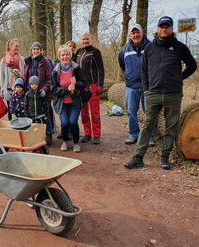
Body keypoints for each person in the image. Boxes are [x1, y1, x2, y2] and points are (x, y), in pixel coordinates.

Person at [123, 16, 197, 170]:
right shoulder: (149, 48)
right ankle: (138, 157)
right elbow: (144, 71)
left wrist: (179, 78)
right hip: (153, 93)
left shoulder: (180, 47)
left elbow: (192, 66)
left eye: (167, 27)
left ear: (171, 29)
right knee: (147, 125)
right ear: (157, 29)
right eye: (161, 27)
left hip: (173, 94)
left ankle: (165, 157)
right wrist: (146, 89)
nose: (164, 29)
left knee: (170, 127)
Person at [119, 24, 156, 146]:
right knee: (131, 111)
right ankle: (133, 134)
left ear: (142, 32)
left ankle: (149, 136)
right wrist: (130, 75)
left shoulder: (151, 47)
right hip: (131, 85)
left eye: (137, 32)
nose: (136, 35)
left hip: (148, 85)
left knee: (149, 112)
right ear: (130, 35)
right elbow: (122, 65)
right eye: (133, 33)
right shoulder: (125, 49)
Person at [51, 44, 88, 152]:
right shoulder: (55, 71)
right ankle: (65, 141)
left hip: (75, 101)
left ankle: (76, 143)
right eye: (62, 55)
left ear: (70, 55)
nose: (65, 57)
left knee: (72, 122)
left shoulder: (76, 68)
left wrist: (76, 84)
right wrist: (66, 89)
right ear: (59, 57)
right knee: (65, 123)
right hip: (62, 102)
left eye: (67, 54)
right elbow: (53, 89)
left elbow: (84, 84)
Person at [75, 32, 105, 145]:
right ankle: (87, 133)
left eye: (87, 39)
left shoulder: (95, 52)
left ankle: (96, 135)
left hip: (92, 84)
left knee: (94, 111)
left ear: (91, 39)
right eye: (83, 39)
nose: (85, 41)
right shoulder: (79, 52)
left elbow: (100, 69)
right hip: (81, 85)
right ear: (81, 40)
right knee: (84, 112)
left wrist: (100, 84)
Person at [22, 41, 53, 144]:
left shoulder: (45, 63)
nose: (35, 51)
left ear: (41, 50)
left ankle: (48, 133)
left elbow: (49, 78)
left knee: (46, 114)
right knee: (32, 114)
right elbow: (25, 77)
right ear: (31, 50)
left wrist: (44, 89)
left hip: (42, 94)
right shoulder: (28, 62)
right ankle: (34, 135)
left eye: (37, 49)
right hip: (30, 93)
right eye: (34, 49)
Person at [0, 38, 25, 120]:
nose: (17, 48)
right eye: (16, 46)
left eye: (19, 46)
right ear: (10, 47)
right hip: (9, 90)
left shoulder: (22, 60)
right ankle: (12, 128)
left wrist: (19, 75)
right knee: (11, 110)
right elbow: (2, 76)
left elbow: (25, 74)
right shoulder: (3, 61)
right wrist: (2, 88)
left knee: (21, 110)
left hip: (20, 90)